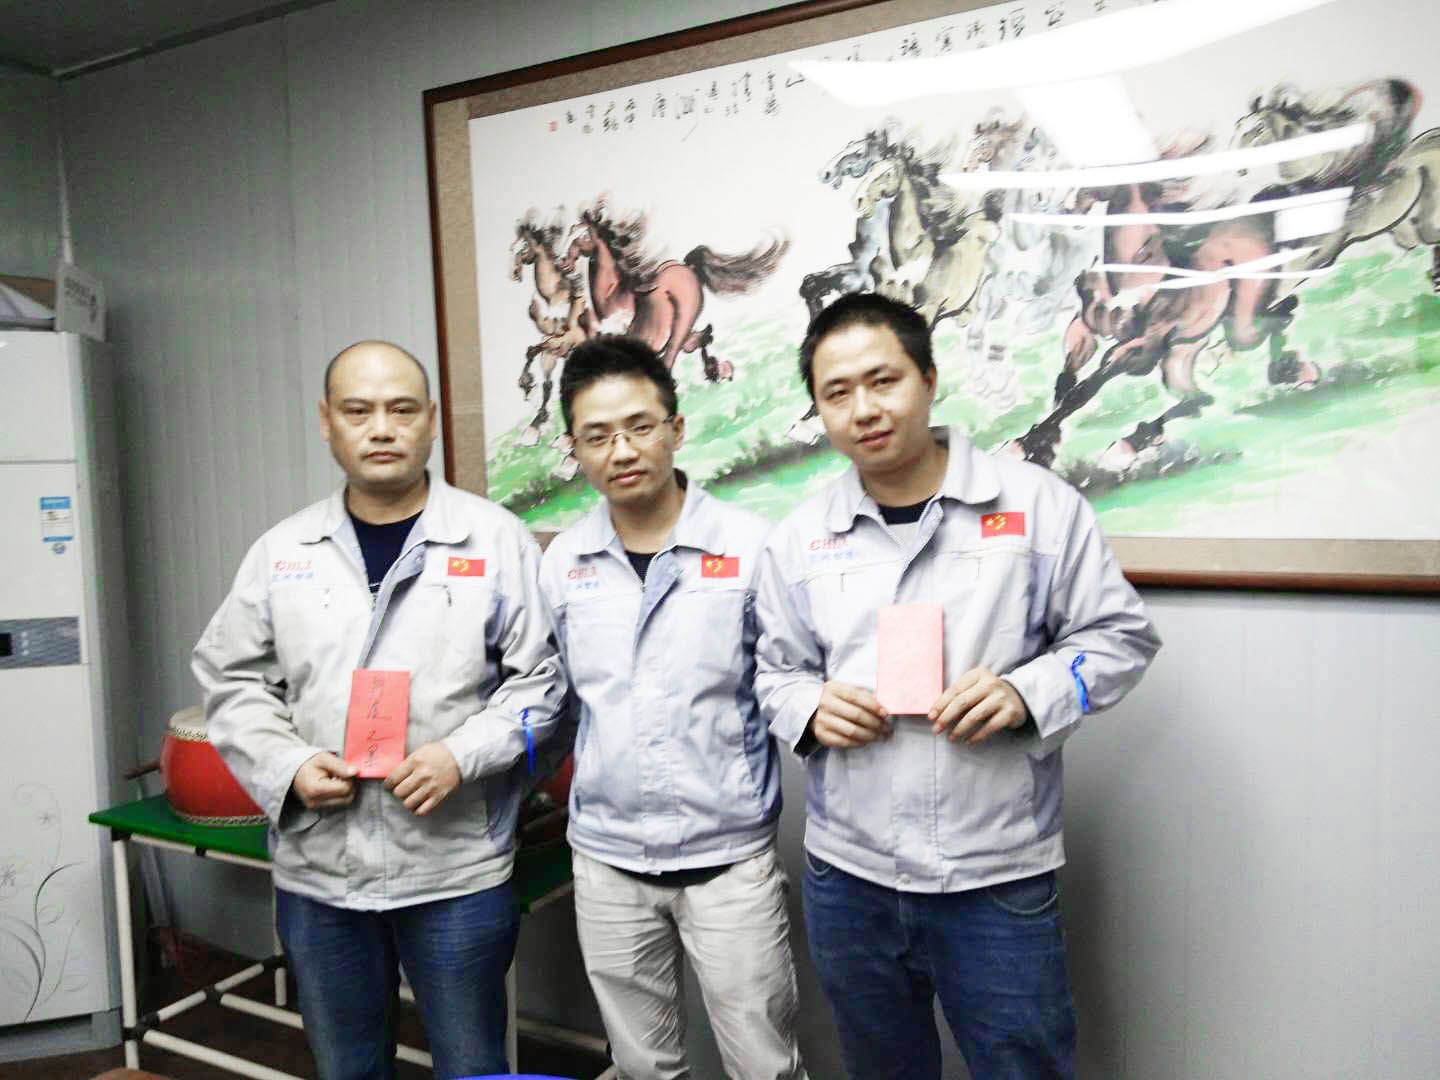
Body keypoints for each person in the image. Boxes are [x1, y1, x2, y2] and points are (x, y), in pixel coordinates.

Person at [753, 293, 1162, 1080]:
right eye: (837, 393)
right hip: (849, 875)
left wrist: (1028, 693)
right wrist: (808, 705)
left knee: (1022, 1067)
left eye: (884, 381)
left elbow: (1119, 637)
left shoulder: (1038, 506)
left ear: (929, 380)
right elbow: (775, 672)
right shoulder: (799, 538)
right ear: (819, 410)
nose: (864, 409)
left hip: (995, 872)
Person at [192, 340, 567, 1080]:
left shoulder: (495, 540)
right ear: (326, 422)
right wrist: (290, 765)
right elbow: (229, 680)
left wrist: (461, 756)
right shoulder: (283, 551)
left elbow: (543, 685)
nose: (382, 429)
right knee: (348, 1068)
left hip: (454, 870)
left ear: (431, 419)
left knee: (473, 1065)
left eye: (401, 410)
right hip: (320, 875)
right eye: (358, 411)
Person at [538, 335, 806, 1080]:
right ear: (574, 449)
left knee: (766, 1067)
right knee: (641, 1067)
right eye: (597, 436)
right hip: (607, 862)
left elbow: (787, 681)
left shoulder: (751, 548)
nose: (622, 450)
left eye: (640, 426)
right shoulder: (564, 562)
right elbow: (554, 701)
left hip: (728, 861)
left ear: (677, 428)